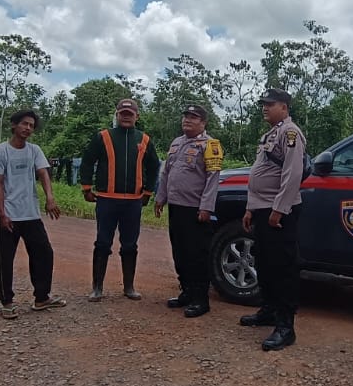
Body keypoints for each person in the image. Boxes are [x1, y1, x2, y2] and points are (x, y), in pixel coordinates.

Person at [240, 87, 307, 350]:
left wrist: (279, 209)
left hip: (279, 212)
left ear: (285, 107)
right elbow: (260, 174)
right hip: (262, 207)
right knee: (265, 264)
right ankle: (268, 310)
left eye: (271, 104)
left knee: (283, 268)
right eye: (264, 104)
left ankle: (285, 327)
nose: (265, 108)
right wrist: (250, 208)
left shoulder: (291, 133)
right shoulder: (271, 134)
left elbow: (292, 175)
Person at [79, 97, 160, 300]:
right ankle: (97, 288)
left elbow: (154, 166)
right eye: (122, 114)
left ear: (136, 117)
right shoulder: (103, 137)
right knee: (103, 243)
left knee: (130, 244)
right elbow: (88, 161)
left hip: (133, 201)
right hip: (106, 199)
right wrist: (86, 187)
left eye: (129, 114)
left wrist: (148, 192)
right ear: (117, 115)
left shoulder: (144, 140)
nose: (126, 117)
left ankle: (129, 287)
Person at [0, 108, 63, 320]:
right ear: (14, 125)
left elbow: (43, 173)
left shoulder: (34, 150)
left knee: (44, 253)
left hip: (30, 214)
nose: (28, 128)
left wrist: (49, 198)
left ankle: (41, 297)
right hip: (7, 216)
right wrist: (2, 214)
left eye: (31, 125)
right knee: (4, 261)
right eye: (24, 124)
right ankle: (7, 302)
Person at [154, 104, 223, 317]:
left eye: (194, 118)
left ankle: (200, 299)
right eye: (186, 117)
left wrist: (206, 207)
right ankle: (186, 292)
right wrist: (160, 197)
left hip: (195, 210)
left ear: (203, 123)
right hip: (176, 207)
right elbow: (166, 173)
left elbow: (213, 179)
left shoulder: (210, 145)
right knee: (180, 251)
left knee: (197, 255)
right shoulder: (177, 143)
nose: (188, 120)